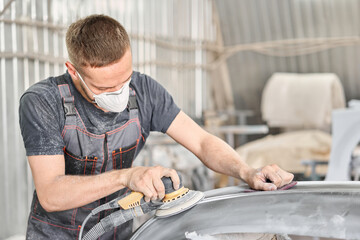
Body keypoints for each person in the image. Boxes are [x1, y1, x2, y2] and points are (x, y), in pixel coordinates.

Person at [19, 14, 294, 240]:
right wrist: (127, 177)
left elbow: (200, 142)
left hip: (120, 233)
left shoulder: (145, 91)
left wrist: (246, 170)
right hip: (54, 235)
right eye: (105, 87)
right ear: (73, 70)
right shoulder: (44, 102)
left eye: (124, 79)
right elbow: (51, 194)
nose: (118, 93)